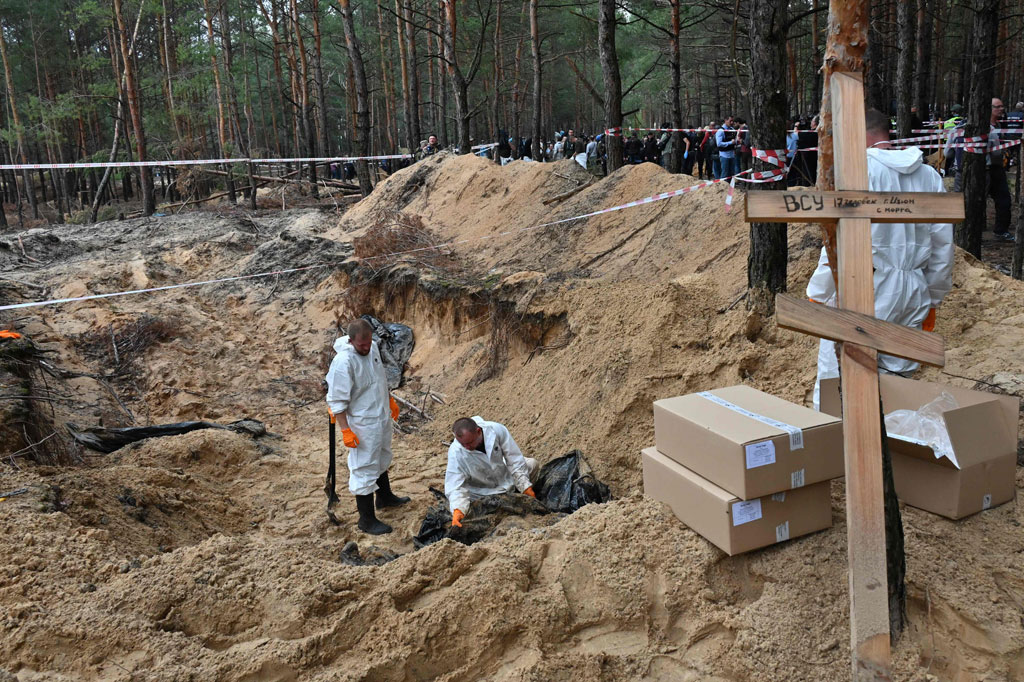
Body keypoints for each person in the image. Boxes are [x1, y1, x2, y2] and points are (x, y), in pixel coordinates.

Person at [807, 108, 954, 409]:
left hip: (862, 285)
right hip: (912, 289)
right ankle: (892, 450)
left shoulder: (857, 172)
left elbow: (837, 242)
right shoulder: (928, 175)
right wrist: (933, 298)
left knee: (838, 385)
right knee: (895, 387)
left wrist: (818, 293)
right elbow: (942, 245)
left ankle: (839, 449)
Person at [325, 319, 409, 535]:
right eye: (361, 345)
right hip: (362, 422)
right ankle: (366, 519)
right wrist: (345, 430)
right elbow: (337, 402)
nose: (366, 347)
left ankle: (385, 497)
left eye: (368, 342)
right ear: (351, 340)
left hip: (380, 414)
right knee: (364, 466)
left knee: (382, 456)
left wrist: (389, 400)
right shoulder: (343, 363)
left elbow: (379, 379)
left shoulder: (371, 347)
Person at [445, 416, 540, 528]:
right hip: (483, 491)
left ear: (478, 431)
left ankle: (520, 494)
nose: (467, 447)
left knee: (532, 465)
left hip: (504, 476)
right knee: (466, 506)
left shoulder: (496, 430)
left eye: (470, 442)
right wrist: (458, 509)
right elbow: (455, 486)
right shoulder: (456, 452)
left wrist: (525, 487)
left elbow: (514, 459)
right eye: (463, 444)